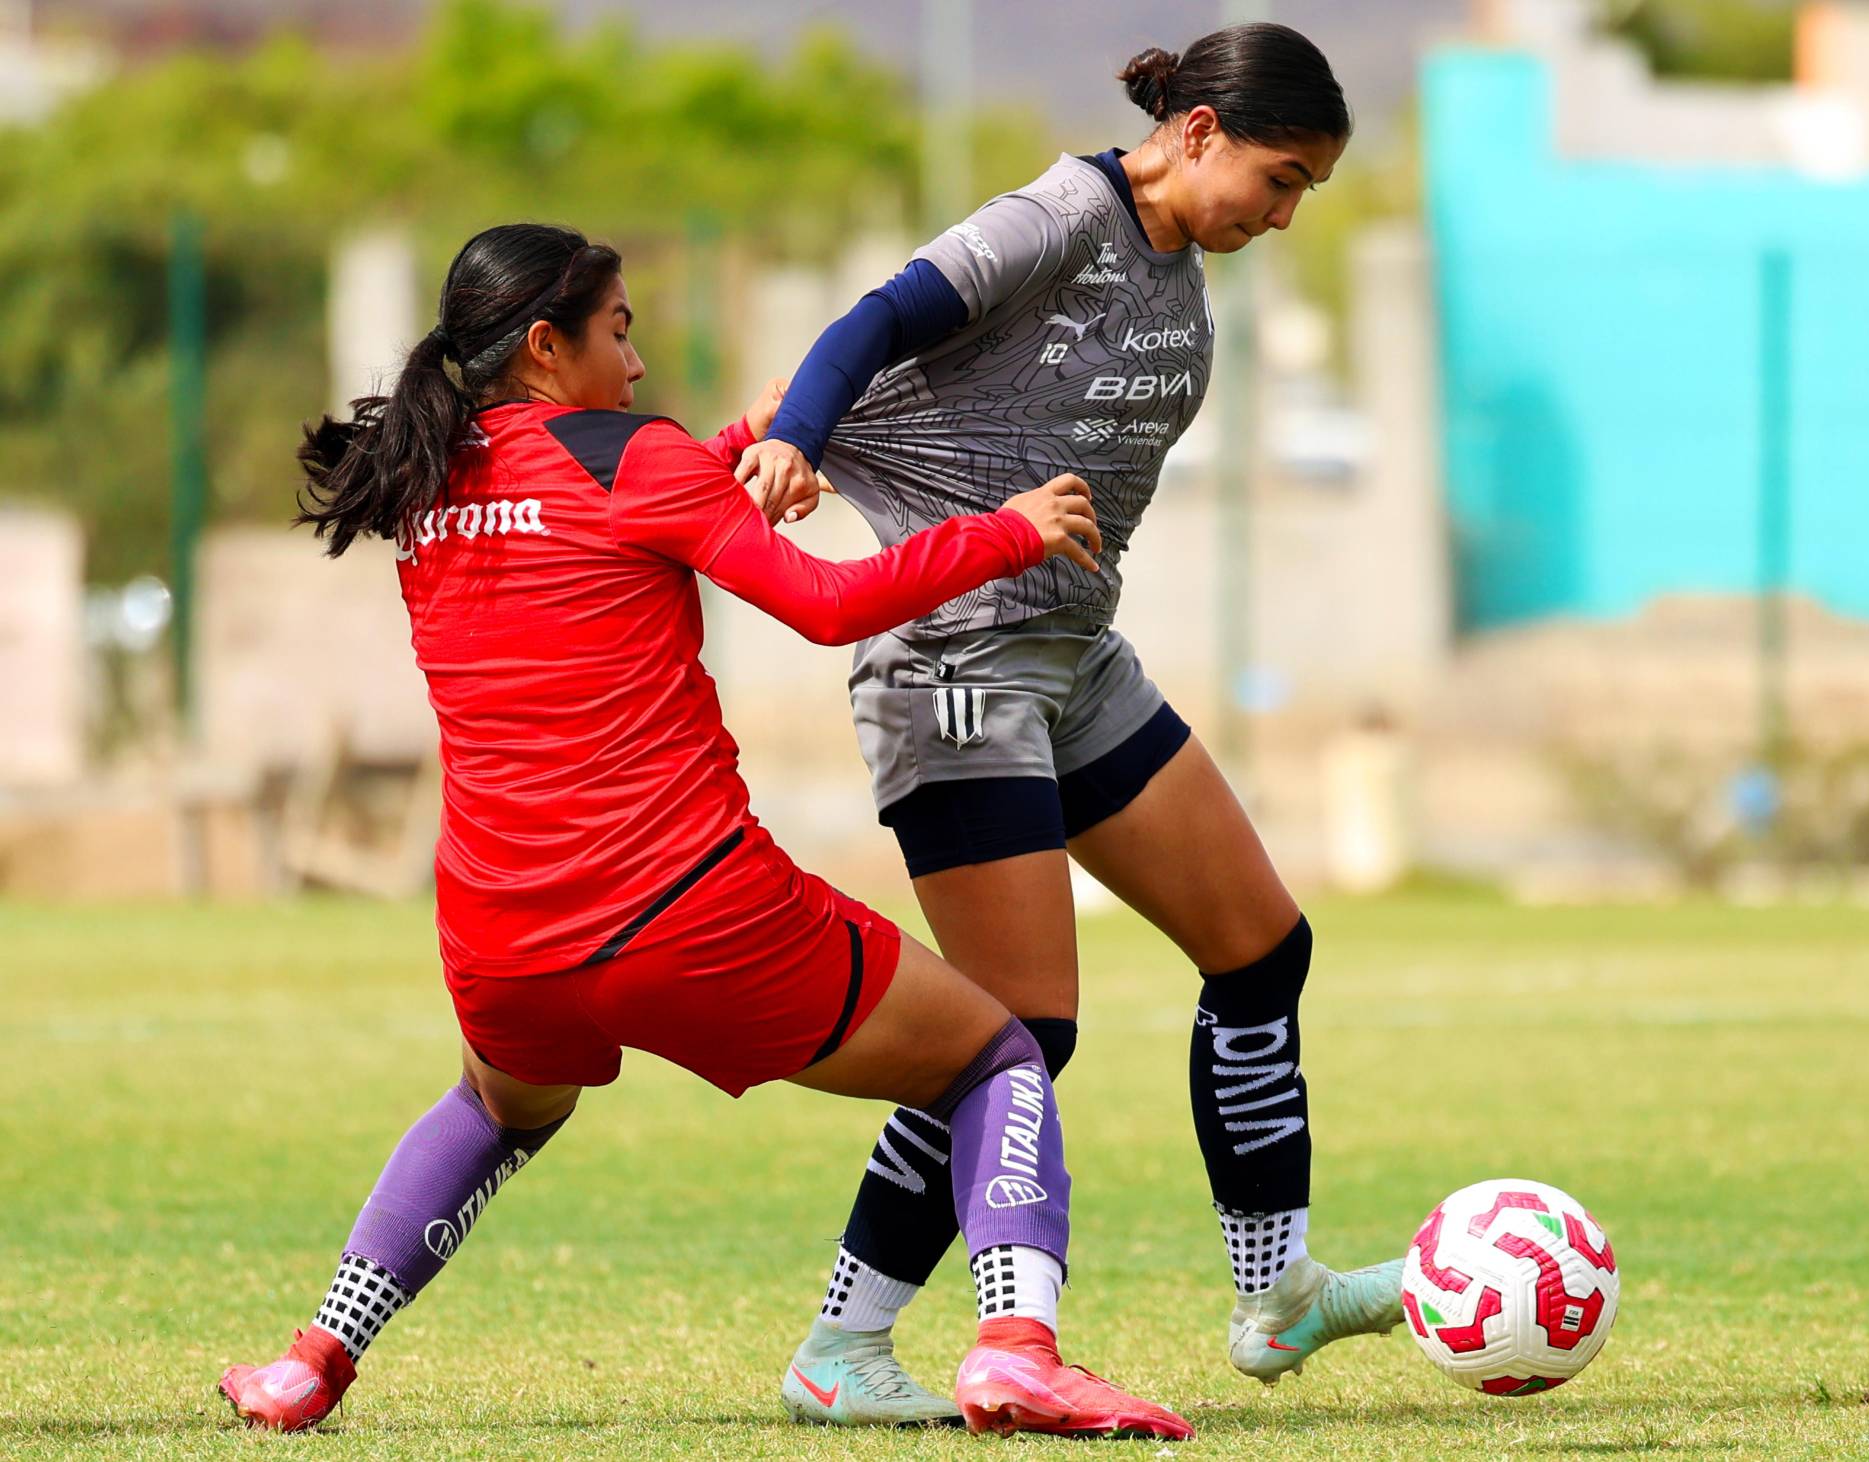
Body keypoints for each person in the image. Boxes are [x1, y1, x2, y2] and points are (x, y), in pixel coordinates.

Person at [213, 222, 1191, 1442]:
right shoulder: (638, 459)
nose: (633, 366)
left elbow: (594, 510)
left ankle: (311, 1360)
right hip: (688, 912)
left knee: (495, 1108)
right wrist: (1007, 528)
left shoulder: (425, 477)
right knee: (1000, 1055)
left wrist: (730, 442)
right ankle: (1014, 1348)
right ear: (542, 342)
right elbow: (826, 604)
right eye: (617, 333)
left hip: (496, 932)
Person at [736, 26, 1406, 1426]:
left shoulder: (1179, 262)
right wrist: (799, 432)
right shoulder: (1062, 216)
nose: (1282, 218)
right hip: (955, 668)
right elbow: (878, 319)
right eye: (1279, 181)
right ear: (1202, 131)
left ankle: (1274, 1294)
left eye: (1306, 198)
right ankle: (842, 1345)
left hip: (1077, 659)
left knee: (1261, 949)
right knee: (1017, 1030)